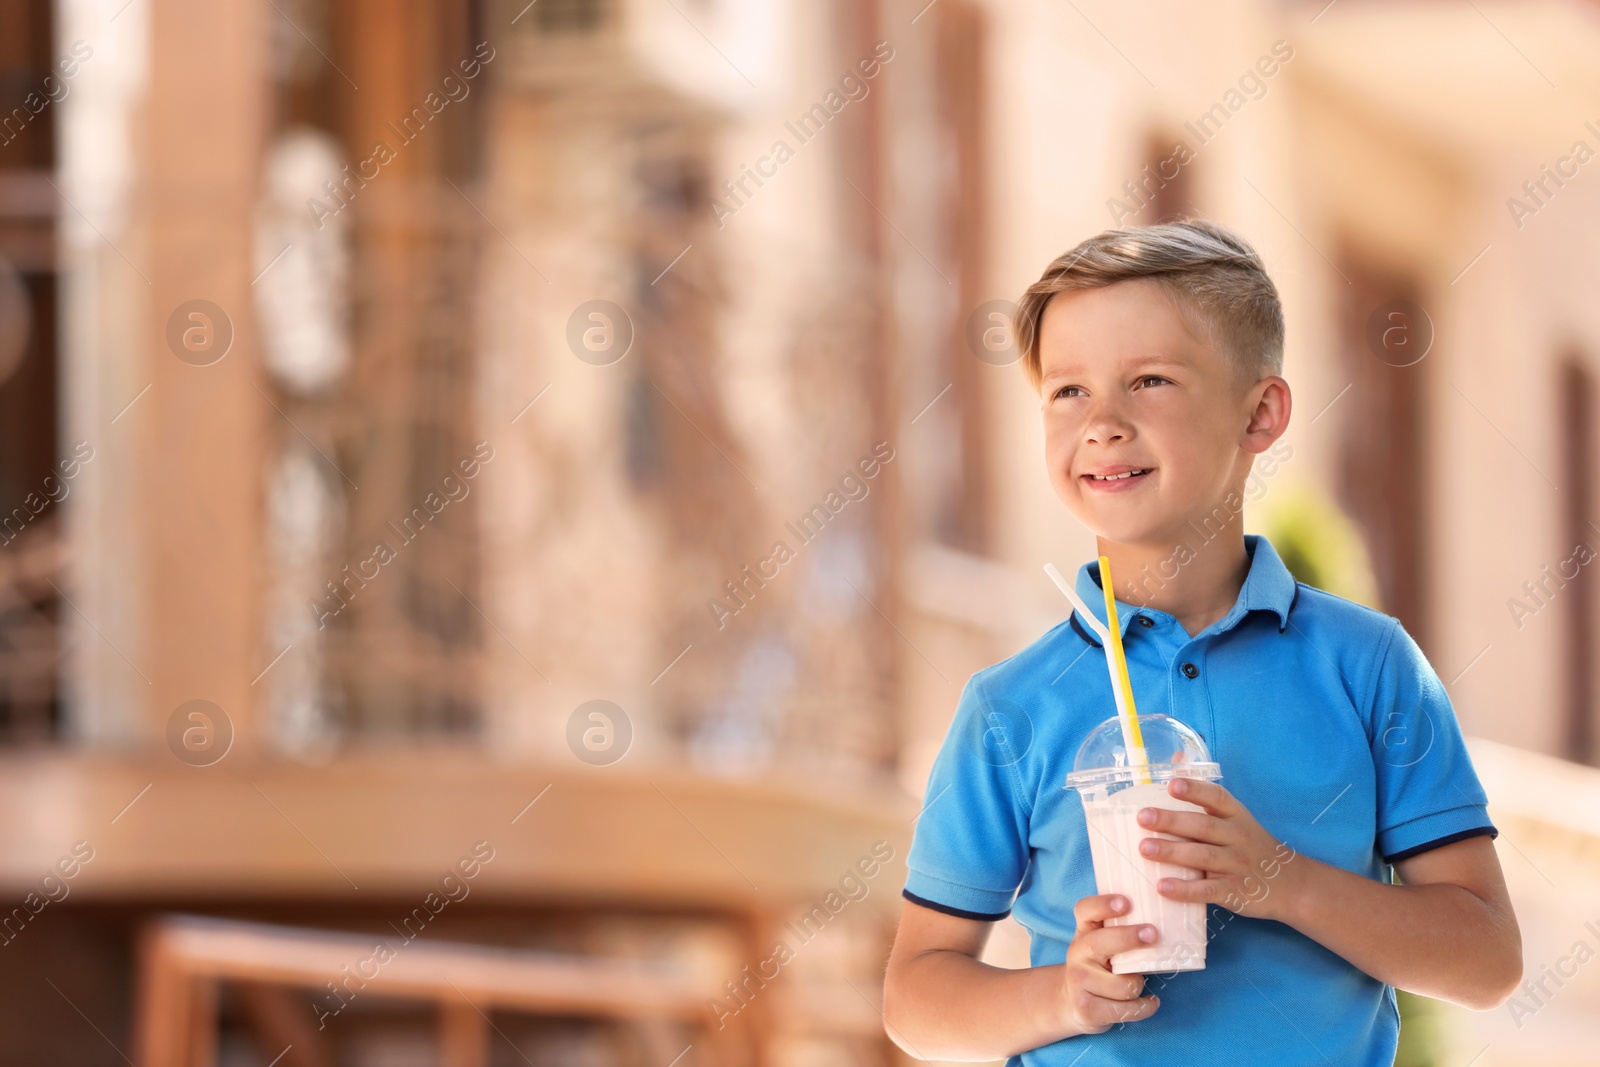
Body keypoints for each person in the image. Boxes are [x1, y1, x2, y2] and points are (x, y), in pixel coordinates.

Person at [881, 219, 1522, 1065]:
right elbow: (915, 996)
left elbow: (1486, 958)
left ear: (1259, 414)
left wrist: (1282, 882)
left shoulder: (1367, 666)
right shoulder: (1010, 707)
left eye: (1148, 380)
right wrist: (1062, 995)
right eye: (1068, 391)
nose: (1102, 422)